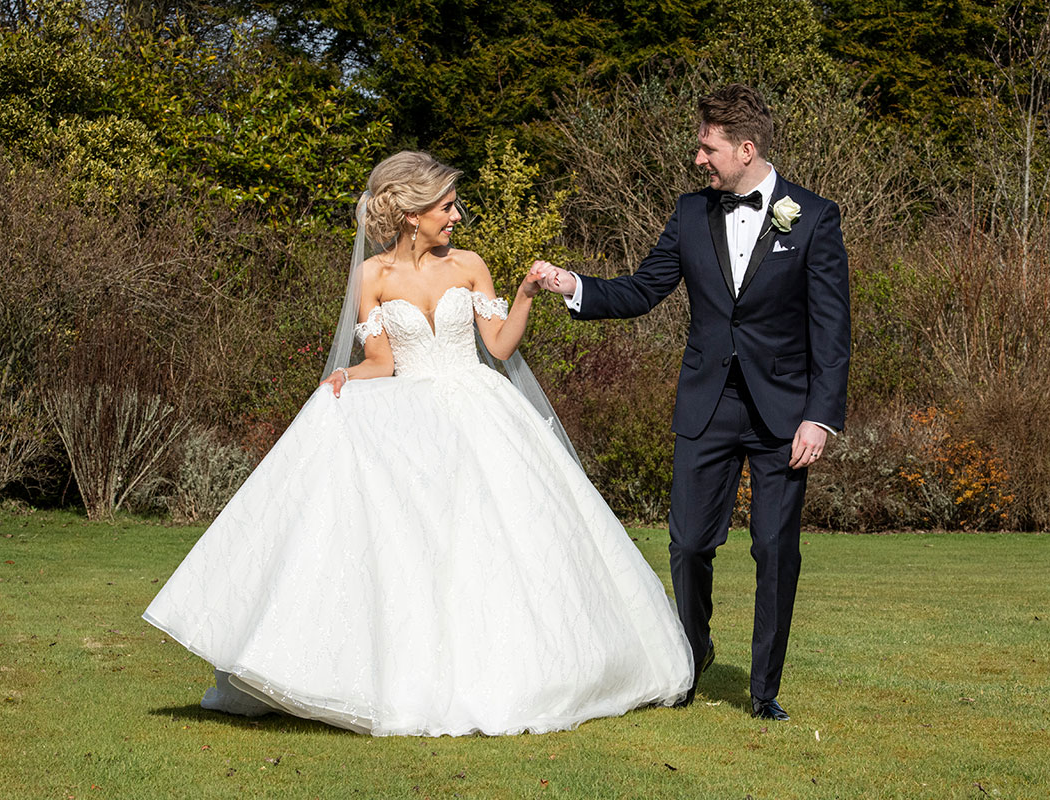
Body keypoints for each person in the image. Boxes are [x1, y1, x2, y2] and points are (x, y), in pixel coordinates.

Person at [142, 150, 693, 737]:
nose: (456, 216)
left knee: (501, 539)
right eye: (446, 207)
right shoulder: (371, 276)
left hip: (481, 411)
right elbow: (381, 361)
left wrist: (528, 291)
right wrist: (343, 378)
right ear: (411, 214)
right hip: (414, 422)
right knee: (419, 544)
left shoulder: (470, 266)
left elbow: (500, 349)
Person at [534, 84, 851, 720]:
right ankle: (690, 655)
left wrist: (820, 416)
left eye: (707, 148)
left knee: (773, 549)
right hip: (706, 405)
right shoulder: (688, 215)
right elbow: (641, 290)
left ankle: (764, 693)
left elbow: (832, 329)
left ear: (746, 148)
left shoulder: (813, 218)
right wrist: (574, 286)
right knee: (689, 544)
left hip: (783, 417)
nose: (698, 158)